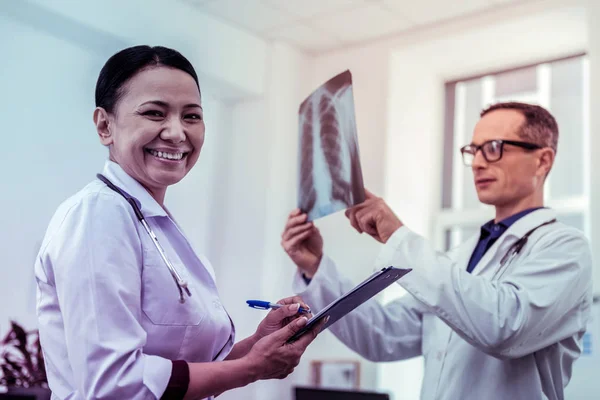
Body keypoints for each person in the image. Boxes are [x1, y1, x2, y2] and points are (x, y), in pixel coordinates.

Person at [34, 45, 321, 400]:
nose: (176, 133)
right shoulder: (98, 214)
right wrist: (252, 368)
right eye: (155, 113)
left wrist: (257, 346)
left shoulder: (153, 224)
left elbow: (182, 372)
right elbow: (113, 384)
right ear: (105, 125)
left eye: (191, 116)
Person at [282, 102, 593, 400]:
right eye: (474, 150)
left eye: (494, 147)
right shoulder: (461, 257)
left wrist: (397, 235)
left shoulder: (565, 248)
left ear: (542, 160)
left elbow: (504, 326)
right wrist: (316, 267)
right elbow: (382, 336)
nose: (479, 162)